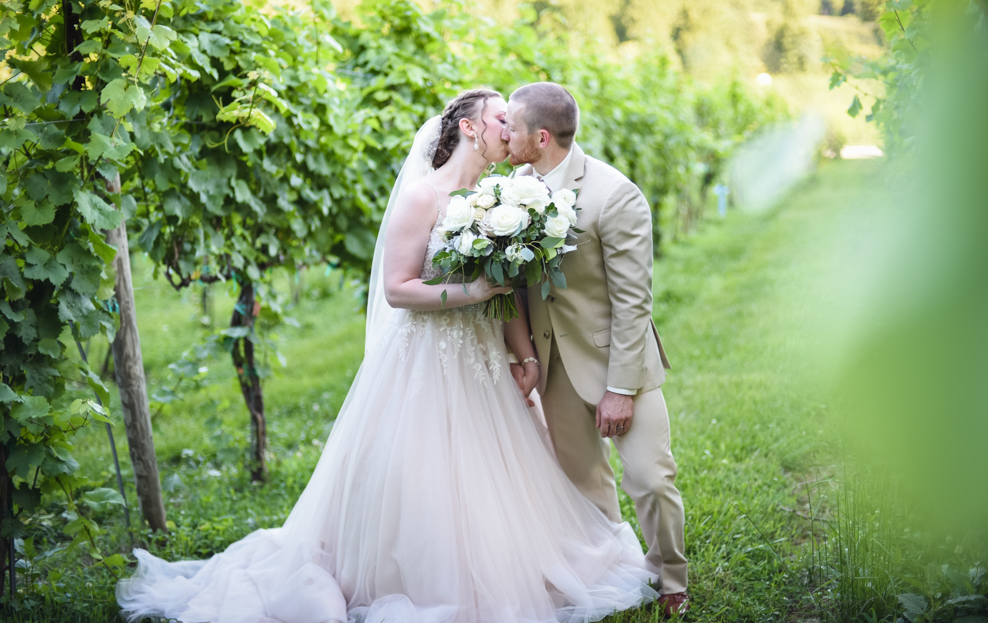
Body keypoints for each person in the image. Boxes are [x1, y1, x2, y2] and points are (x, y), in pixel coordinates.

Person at [116, 89, 659, 623]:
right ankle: (422, 578)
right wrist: (470, 295)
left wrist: (526, 357)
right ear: (469, 127)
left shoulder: (504, 196)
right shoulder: (424, 196)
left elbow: (508, 288)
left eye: (511, 122)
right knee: (425, 474)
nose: (505, 129)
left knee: (498, 473)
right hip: (424, 357)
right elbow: (400, 289)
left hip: (482, 357)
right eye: (498, 119)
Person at [502, 82, 690, 618]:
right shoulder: (509, 190)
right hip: (552, 365)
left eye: (511, 126)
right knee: (583, 483)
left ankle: (669, 575)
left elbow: (634, 303)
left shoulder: (615, 194)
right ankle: (611, 573)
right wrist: (526, 359)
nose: (503, 134)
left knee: (651, 477)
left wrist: (620, 389)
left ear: (541, 137)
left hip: (617, 362)